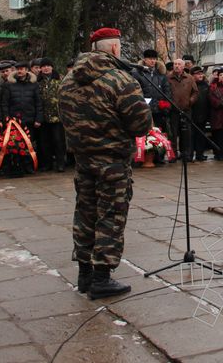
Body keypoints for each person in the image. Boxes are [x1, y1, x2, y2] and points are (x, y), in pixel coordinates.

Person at [58, 27, 152, 299]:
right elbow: (139, 125)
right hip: (112, 161)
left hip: (83, 159)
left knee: (85, 213)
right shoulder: (120, 81)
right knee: (110, 215)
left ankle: (84, 274)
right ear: (113, 49)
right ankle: (102, 278)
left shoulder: (68, 80)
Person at [1, 62, 43, 152]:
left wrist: (38, 119)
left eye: (21, 69)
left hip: (30, 120)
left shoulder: (34, 84)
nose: (19, 71)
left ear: (27, 70)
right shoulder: (9, 84)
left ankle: (29, 165)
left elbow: (38, 103)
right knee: (15, 145)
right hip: (14, 121)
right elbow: (4, 104)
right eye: (18, 69)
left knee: (29, 145)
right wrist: (7, 119)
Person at [37, 58, 67, 172]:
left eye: (48, 66)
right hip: (43, 117)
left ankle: (60, 163)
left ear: (52, 67)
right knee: (45, 142)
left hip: (57, 117)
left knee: (58, 141)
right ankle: (47, 164)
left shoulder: (60, 80)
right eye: (43, 66)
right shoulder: (38, 81)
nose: (46, 68)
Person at [167, 58, 199, 164]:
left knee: (187, 133)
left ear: (183, 66)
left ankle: (187, 155)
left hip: (186, 109)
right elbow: (165, 91)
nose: (176, 66)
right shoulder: (168, 77)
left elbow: (195, 92)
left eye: (179, 64)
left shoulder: (189, 78)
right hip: (173, 110)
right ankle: (173, 155)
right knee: (172, 133)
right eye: (175, 64)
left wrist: (191, 101)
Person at [132, 49, 172, 131]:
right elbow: (135, 91)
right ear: (145, 60)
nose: (153, 61)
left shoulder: (161, 73)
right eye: (150, 59)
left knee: (160, 134)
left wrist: (166, 103)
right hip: (144, 110)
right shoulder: (138, 73)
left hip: (159, 109)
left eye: (154, 59)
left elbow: (167, 89)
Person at [190, 67, 211, 161]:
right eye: (198, 74)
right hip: (191, 114)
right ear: (193, 75)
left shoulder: (205, 85)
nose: (200, 75)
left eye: (201, 74)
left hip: (203, 114)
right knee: (191, 136)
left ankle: (200, 154)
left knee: (201, 135)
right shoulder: (190, 85)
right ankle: (190, 155)